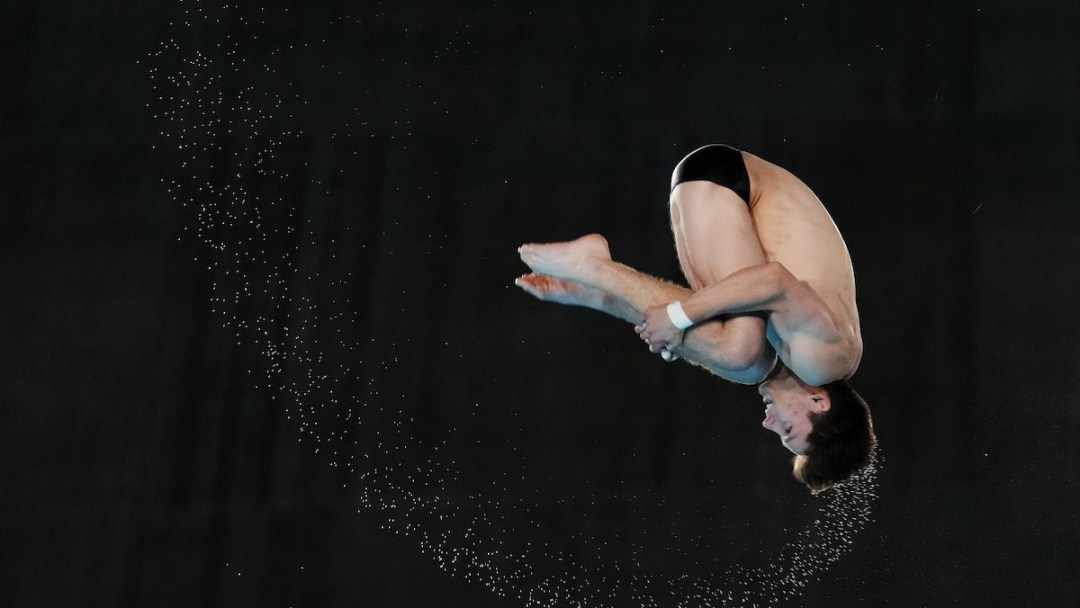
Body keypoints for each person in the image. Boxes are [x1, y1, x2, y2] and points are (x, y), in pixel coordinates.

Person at [515, 144, 876, 492]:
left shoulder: (805, 361)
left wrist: (677, 330)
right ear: (820, 403)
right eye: (787, 431)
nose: (768, 423)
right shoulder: (825, 362)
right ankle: (592, 268)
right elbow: (775, 281)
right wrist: (678, 316)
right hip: (730, 183)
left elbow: (725, 305)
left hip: (715, 189)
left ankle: (597, 290)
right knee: (740, 351)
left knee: (747, 362)